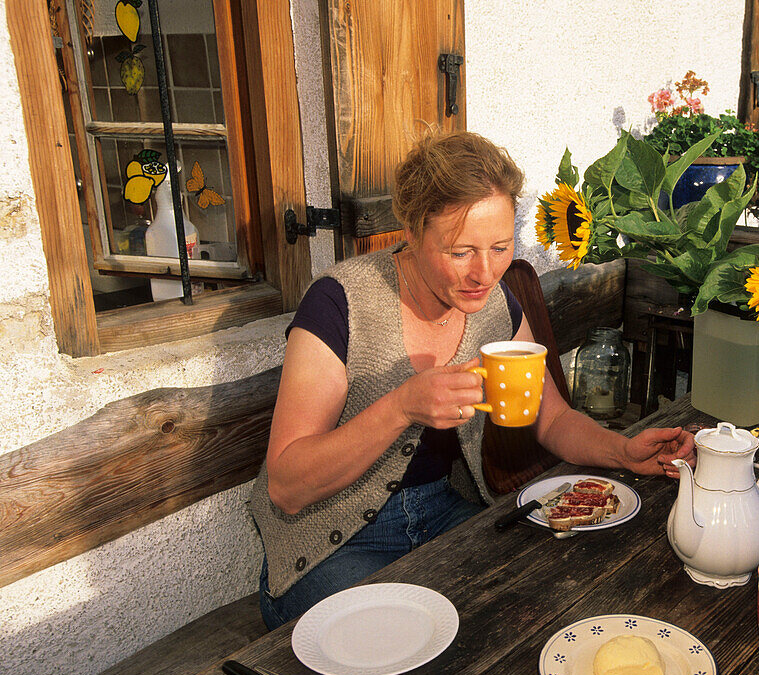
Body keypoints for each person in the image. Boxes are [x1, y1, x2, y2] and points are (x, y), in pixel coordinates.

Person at [251, 131, 695, 629]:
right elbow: (286, 486)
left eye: (500, 247)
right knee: (413, 635)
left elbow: (552, 420)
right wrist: (400, 408)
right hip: (329, 544)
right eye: (461, 252)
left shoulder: (497, 304)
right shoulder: (338, 301)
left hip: (444, 513)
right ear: (414, 231)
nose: (485, 273)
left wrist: (623, 450)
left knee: (547, 595)